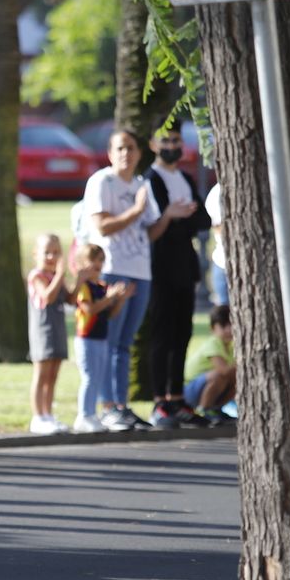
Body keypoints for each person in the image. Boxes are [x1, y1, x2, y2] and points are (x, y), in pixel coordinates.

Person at [81, 129, 195, 431]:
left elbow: (150, 232)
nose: (125, 154)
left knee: (125, 343)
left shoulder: (141, 184)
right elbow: (103, 226)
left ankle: (122, 405)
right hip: (113, 269)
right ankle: (107, 407)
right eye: (119, 148)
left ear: (139, 153)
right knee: (109, 339)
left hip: (140, 270)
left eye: (131, 148)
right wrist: (135, 209)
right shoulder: (102, 182)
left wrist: (166, 216)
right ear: (109, 152)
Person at [145, 126, 212, 428]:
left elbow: (203, 218)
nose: (172, 146)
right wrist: (175, 216)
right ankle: (160, 400)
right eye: (166, 141)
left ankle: (177, 396)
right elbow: (159, 221)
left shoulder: (184, 178)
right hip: (160, 268)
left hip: (185, 265)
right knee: (162, 334)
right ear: (153, 145)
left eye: (176, 141)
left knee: (182, 333)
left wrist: (179, 216)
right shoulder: (151, 180)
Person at [72, 244, 133, 433]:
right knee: (89, 377)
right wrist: (110, 297)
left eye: (100, 260)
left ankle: (92, 414)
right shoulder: (84, 288)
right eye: (93, 260)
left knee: (98, 378)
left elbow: (109, 314)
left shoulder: (102, 287)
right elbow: (90, 309)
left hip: (101, 338)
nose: (98, 264)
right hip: (86, 338)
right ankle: (84, 414)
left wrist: (120, 299)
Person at [26, 232, 71, 435]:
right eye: (47, 253)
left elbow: (70, 298)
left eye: (56, 253)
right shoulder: (37, 276)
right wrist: (61, 276)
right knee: (41, 373)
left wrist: (81, 279)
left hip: (58, 328)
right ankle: (38, 416)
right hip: (43, 329)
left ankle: (48, 414)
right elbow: (48, 296)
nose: (52, 257)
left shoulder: (56, 276)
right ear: (36, 254)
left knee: (53, 375)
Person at [183, 304, 236, 424]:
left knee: (235, 379)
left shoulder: (231, 347)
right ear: (213, 329)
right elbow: (223, 371)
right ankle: (204, 409)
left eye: (232, 325)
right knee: (219, 375)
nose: (229, 330)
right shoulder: (213, 343)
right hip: (189, 391)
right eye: (223, 326)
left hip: (205, 389)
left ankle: (216, 409)